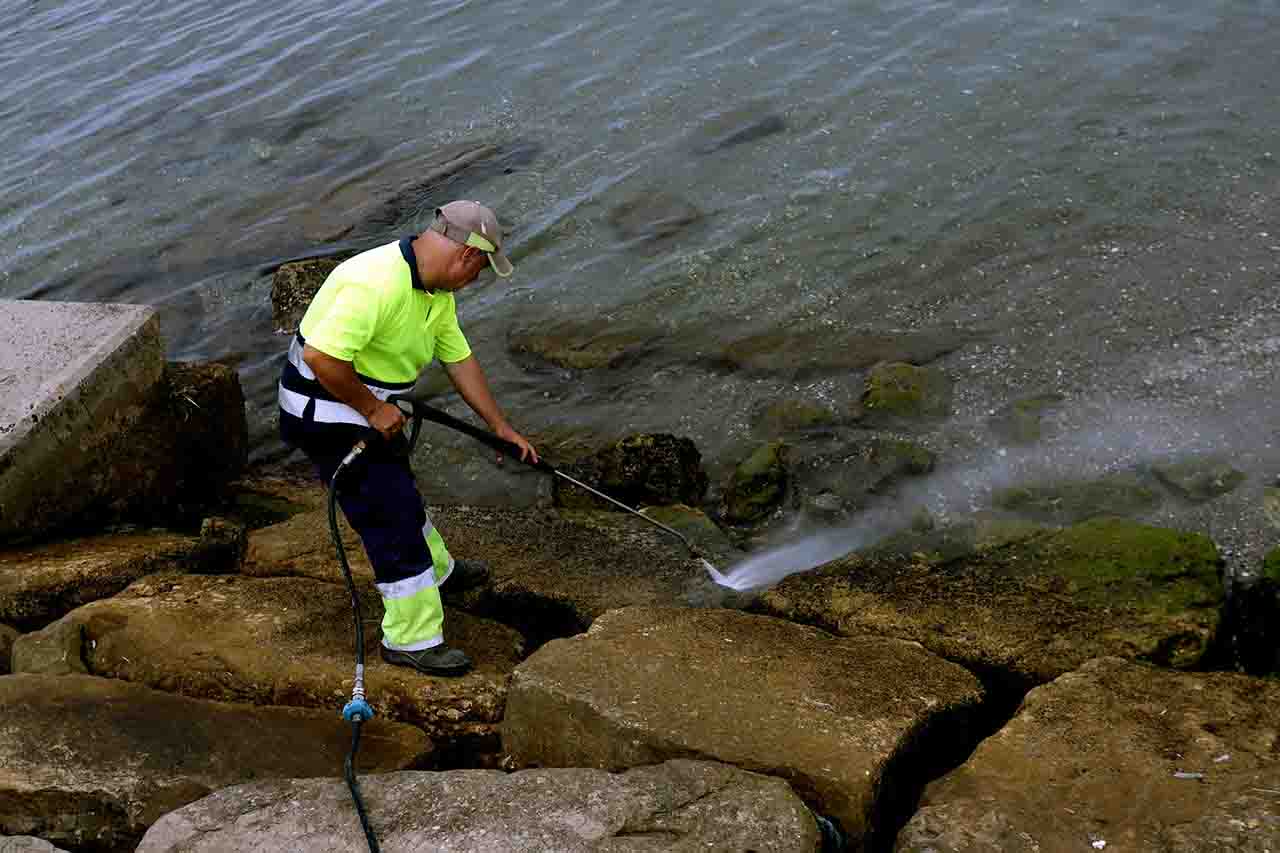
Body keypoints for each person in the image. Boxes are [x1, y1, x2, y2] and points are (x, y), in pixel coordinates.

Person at [278, 200, 538, 676]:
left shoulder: (436, 296)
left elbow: (458, 359)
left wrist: (498, 426)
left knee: (399, 488)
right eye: (480, 269)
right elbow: (321, 358)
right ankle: (411, 639)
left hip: (367, 407)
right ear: (466, 256)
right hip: (325, 414)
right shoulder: (374, 282)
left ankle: (438, 573)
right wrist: (375, 410)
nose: (476, 280)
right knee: (388, 514)